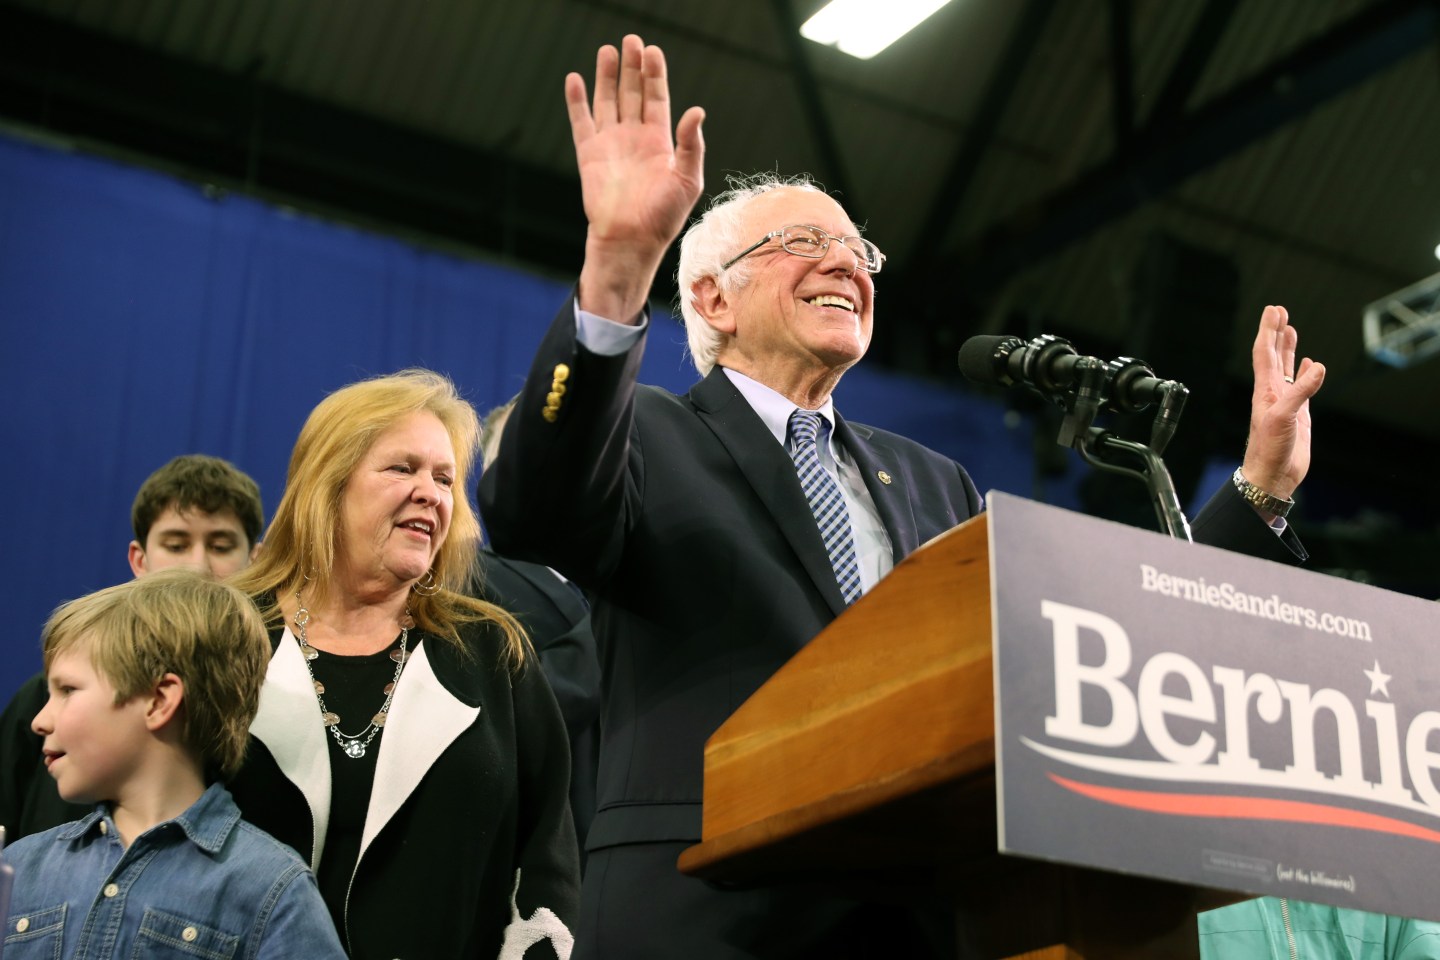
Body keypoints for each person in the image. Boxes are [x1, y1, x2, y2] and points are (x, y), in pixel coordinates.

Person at [478, 35, 1327, 959]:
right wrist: (616, 267)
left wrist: (1258, 494)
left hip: (923, 918)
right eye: (804, 243)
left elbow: (1087, 661)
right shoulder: (647, 433)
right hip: (715, 912)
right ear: (713, 301)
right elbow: (534, 509)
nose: (848, 263)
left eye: (859, 250)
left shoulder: (933, 482)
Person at [226, 369, 579, 959]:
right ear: (327, 482)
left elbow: (547, 859)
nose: (433, 493)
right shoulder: (226, 636)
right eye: (402, 468)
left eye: (445, 478)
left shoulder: (491, 651)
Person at [1, 569, 346, 958]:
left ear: (159, 701)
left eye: (67, 690)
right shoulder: (19, 869)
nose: (39, 720)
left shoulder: (270, 890)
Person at [0, 454, 265, 841]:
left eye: (221, 546)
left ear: (254, 562)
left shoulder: (272, 701)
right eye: (176, 544)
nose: (197, 565)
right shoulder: (41, 702)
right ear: (139, 560)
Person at [479, 398, 602, 862]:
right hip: (540, 870)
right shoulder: (463, 578)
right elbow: (503, 711)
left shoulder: (612, 579)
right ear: (494, 474)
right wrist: (622, 620)